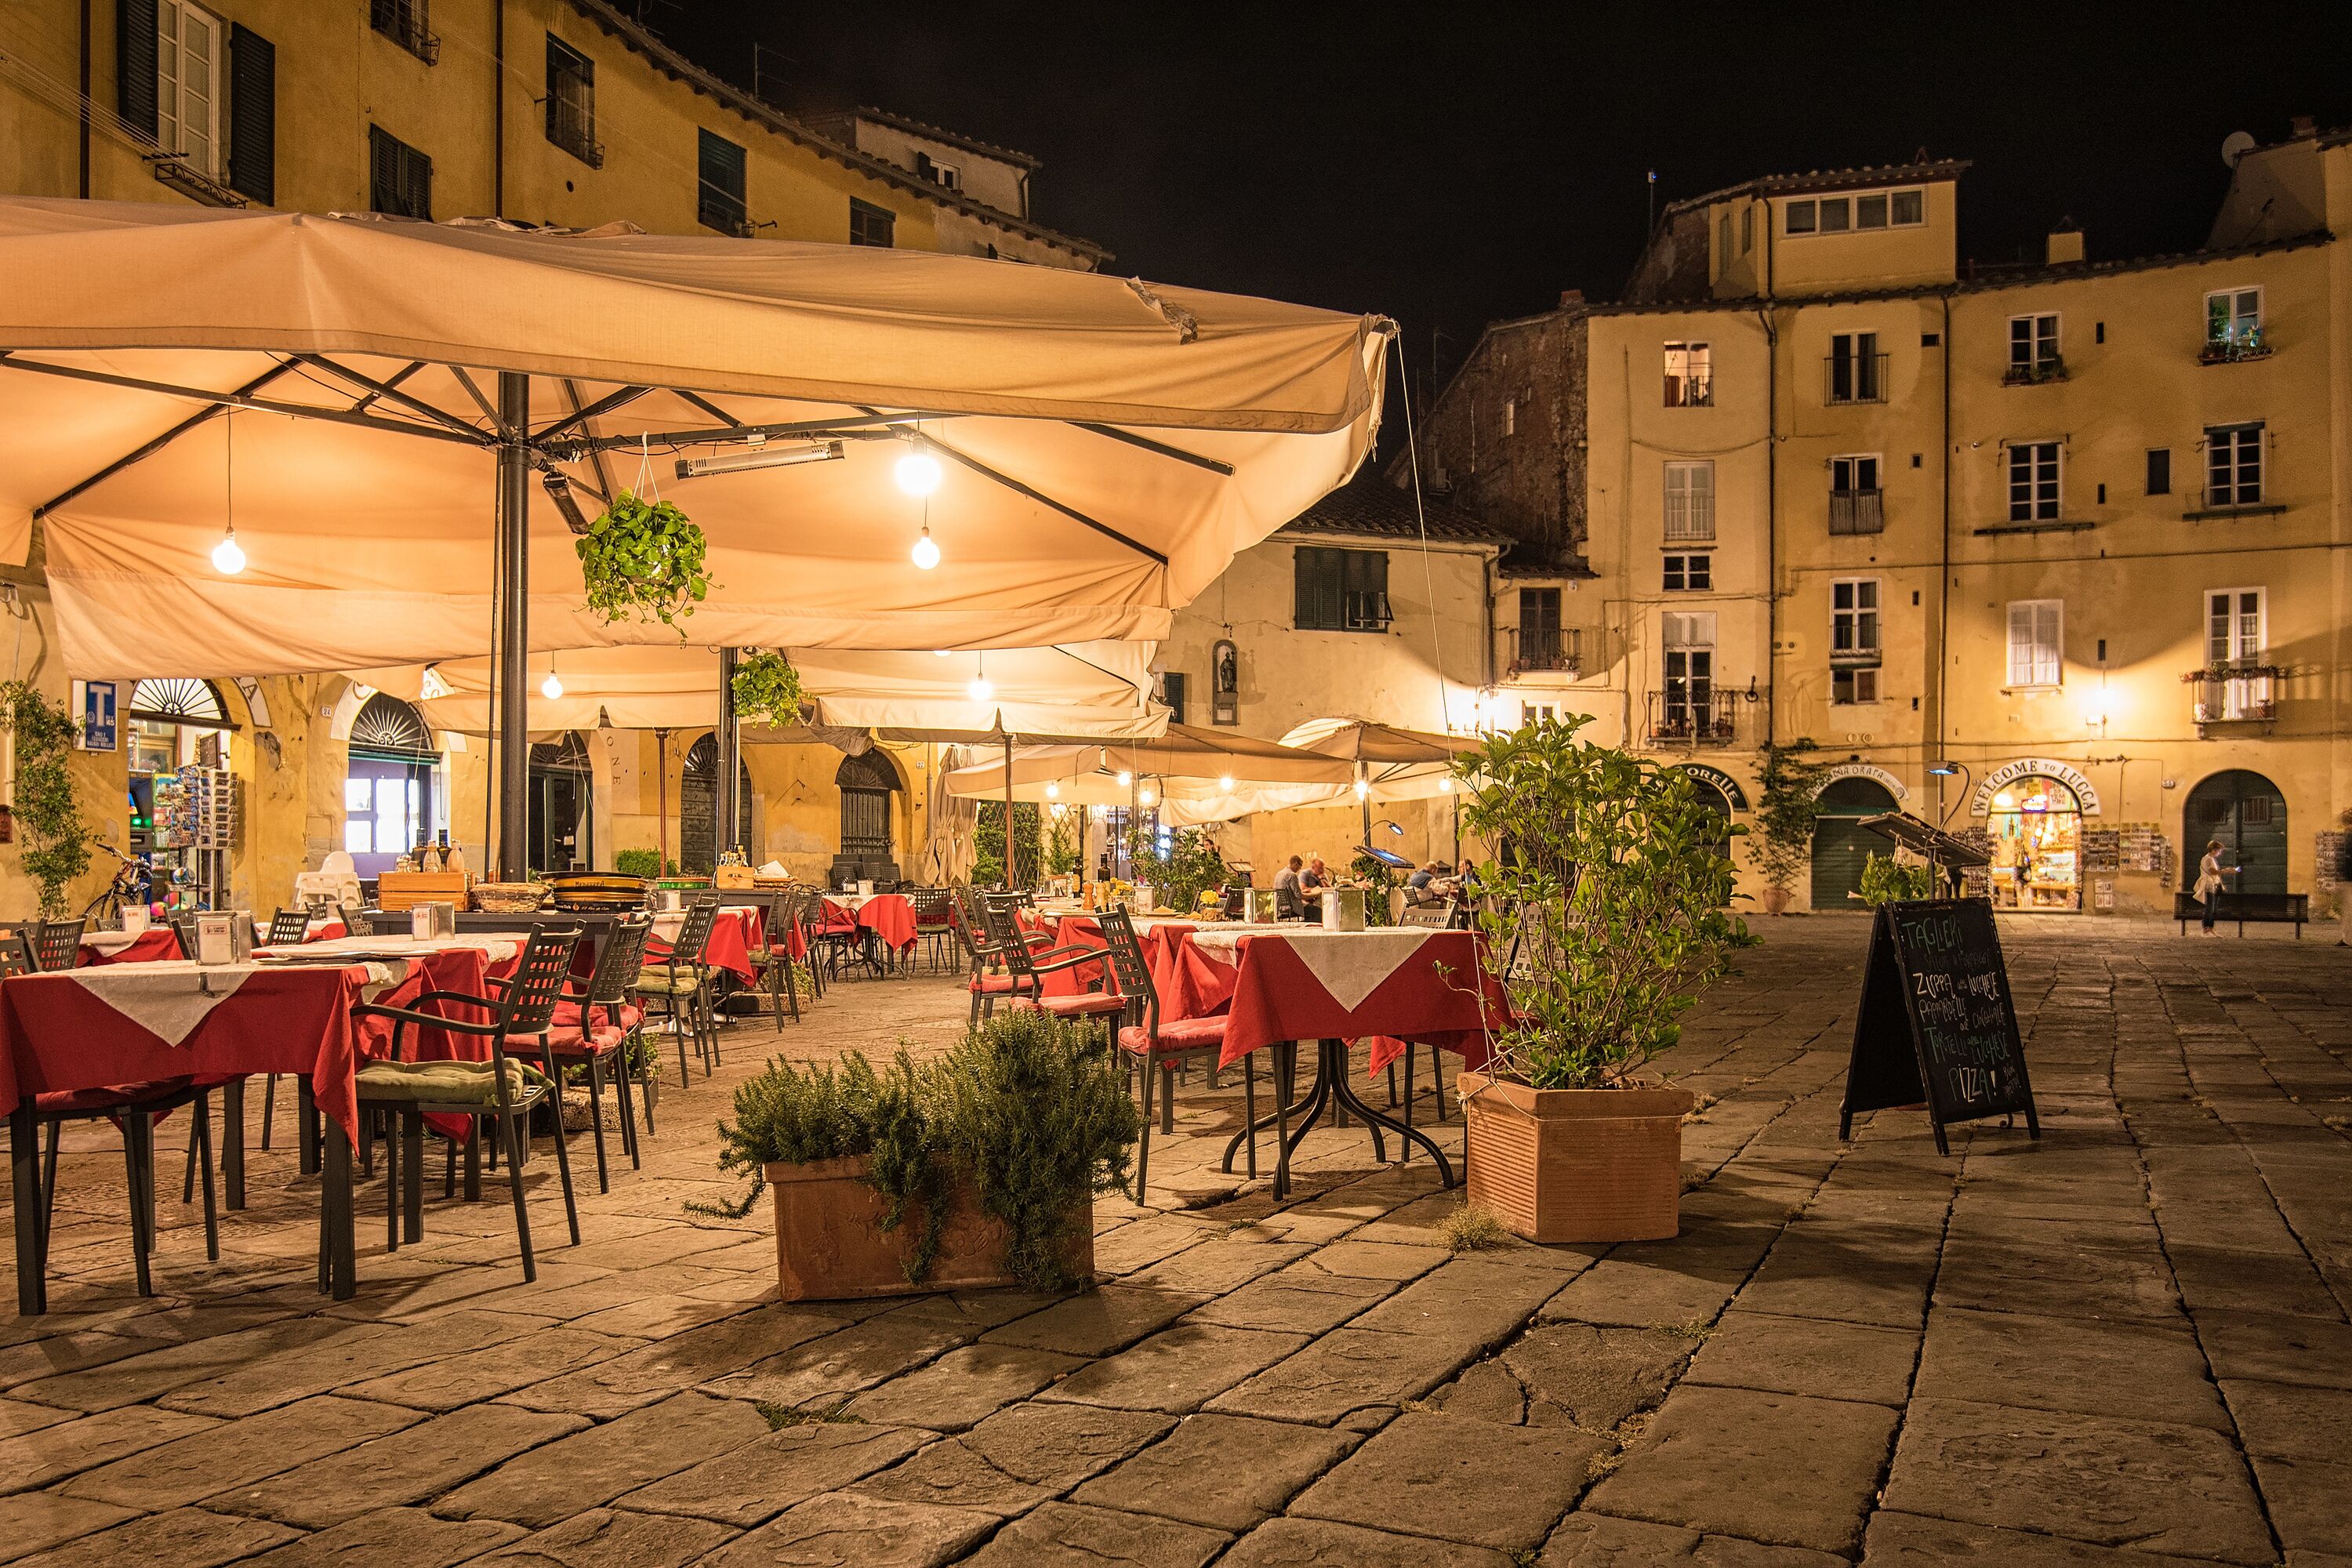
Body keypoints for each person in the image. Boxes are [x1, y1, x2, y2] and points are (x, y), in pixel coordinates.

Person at [2195, 838, 2233, 935]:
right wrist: (2226, 871)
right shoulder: (2208, 859)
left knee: (2213, 908)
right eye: (2219, 851)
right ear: (2213, 850)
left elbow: (2215, 874)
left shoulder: (2211, 859)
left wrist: (2221, 884)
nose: (2219, 853)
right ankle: (2206, 928)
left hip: (2213, 885)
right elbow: (2213, 872)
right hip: (2209, 886)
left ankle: (2210, 928)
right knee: (2210, 908)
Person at [1274, 855, 1306, 920]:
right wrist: (1314, 895)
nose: (1300, 868)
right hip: (1292, 907)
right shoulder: (1292, 875)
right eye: (1300, 865)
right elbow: (1299, 895)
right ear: (1296, 864)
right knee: (1316, 910)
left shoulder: (1279, 874)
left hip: (1280, 907)